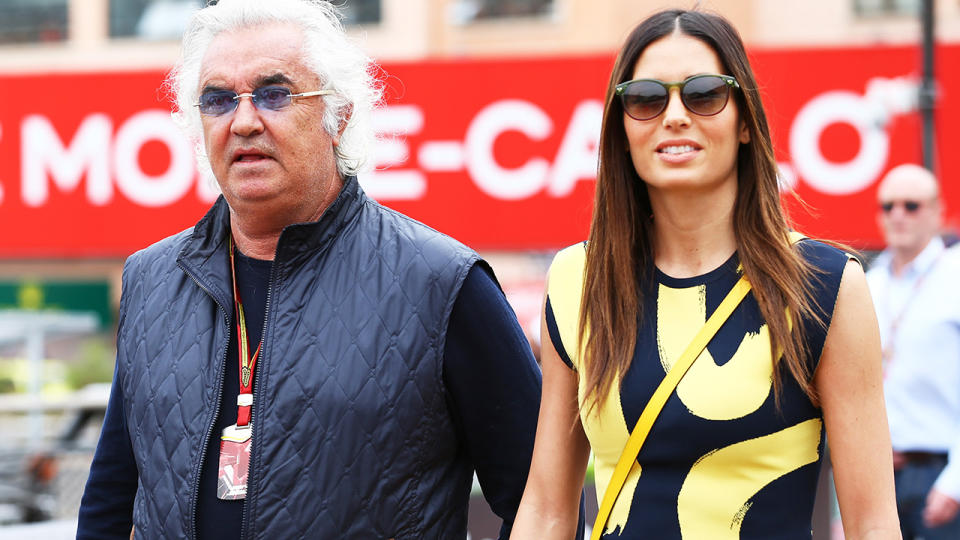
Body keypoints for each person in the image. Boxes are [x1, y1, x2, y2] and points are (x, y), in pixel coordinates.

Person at [76, 1, 548, 538]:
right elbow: (110, 501)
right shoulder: (151, 280)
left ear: (338, 116)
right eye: (218, 100)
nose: (244, 120)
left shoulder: (443, 283)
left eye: (275, 94)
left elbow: (541, 499)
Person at [510, 8, 901, 539]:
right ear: (621, 129)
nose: (674, 115)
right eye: (647, 98)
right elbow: (547, 507)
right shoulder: (575, 280)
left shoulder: (824, 285)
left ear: (744, 121)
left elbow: (873, 523)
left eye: (704, 93)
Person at [866, 163, 960, 540]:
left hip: (941, 470)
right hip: (880, 475)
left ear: (938, 211)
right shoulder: (868, 285)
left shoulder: (954, 277)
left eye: (911, 205)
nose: (898, 215)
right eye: (888, 206)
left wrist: (955, 482)